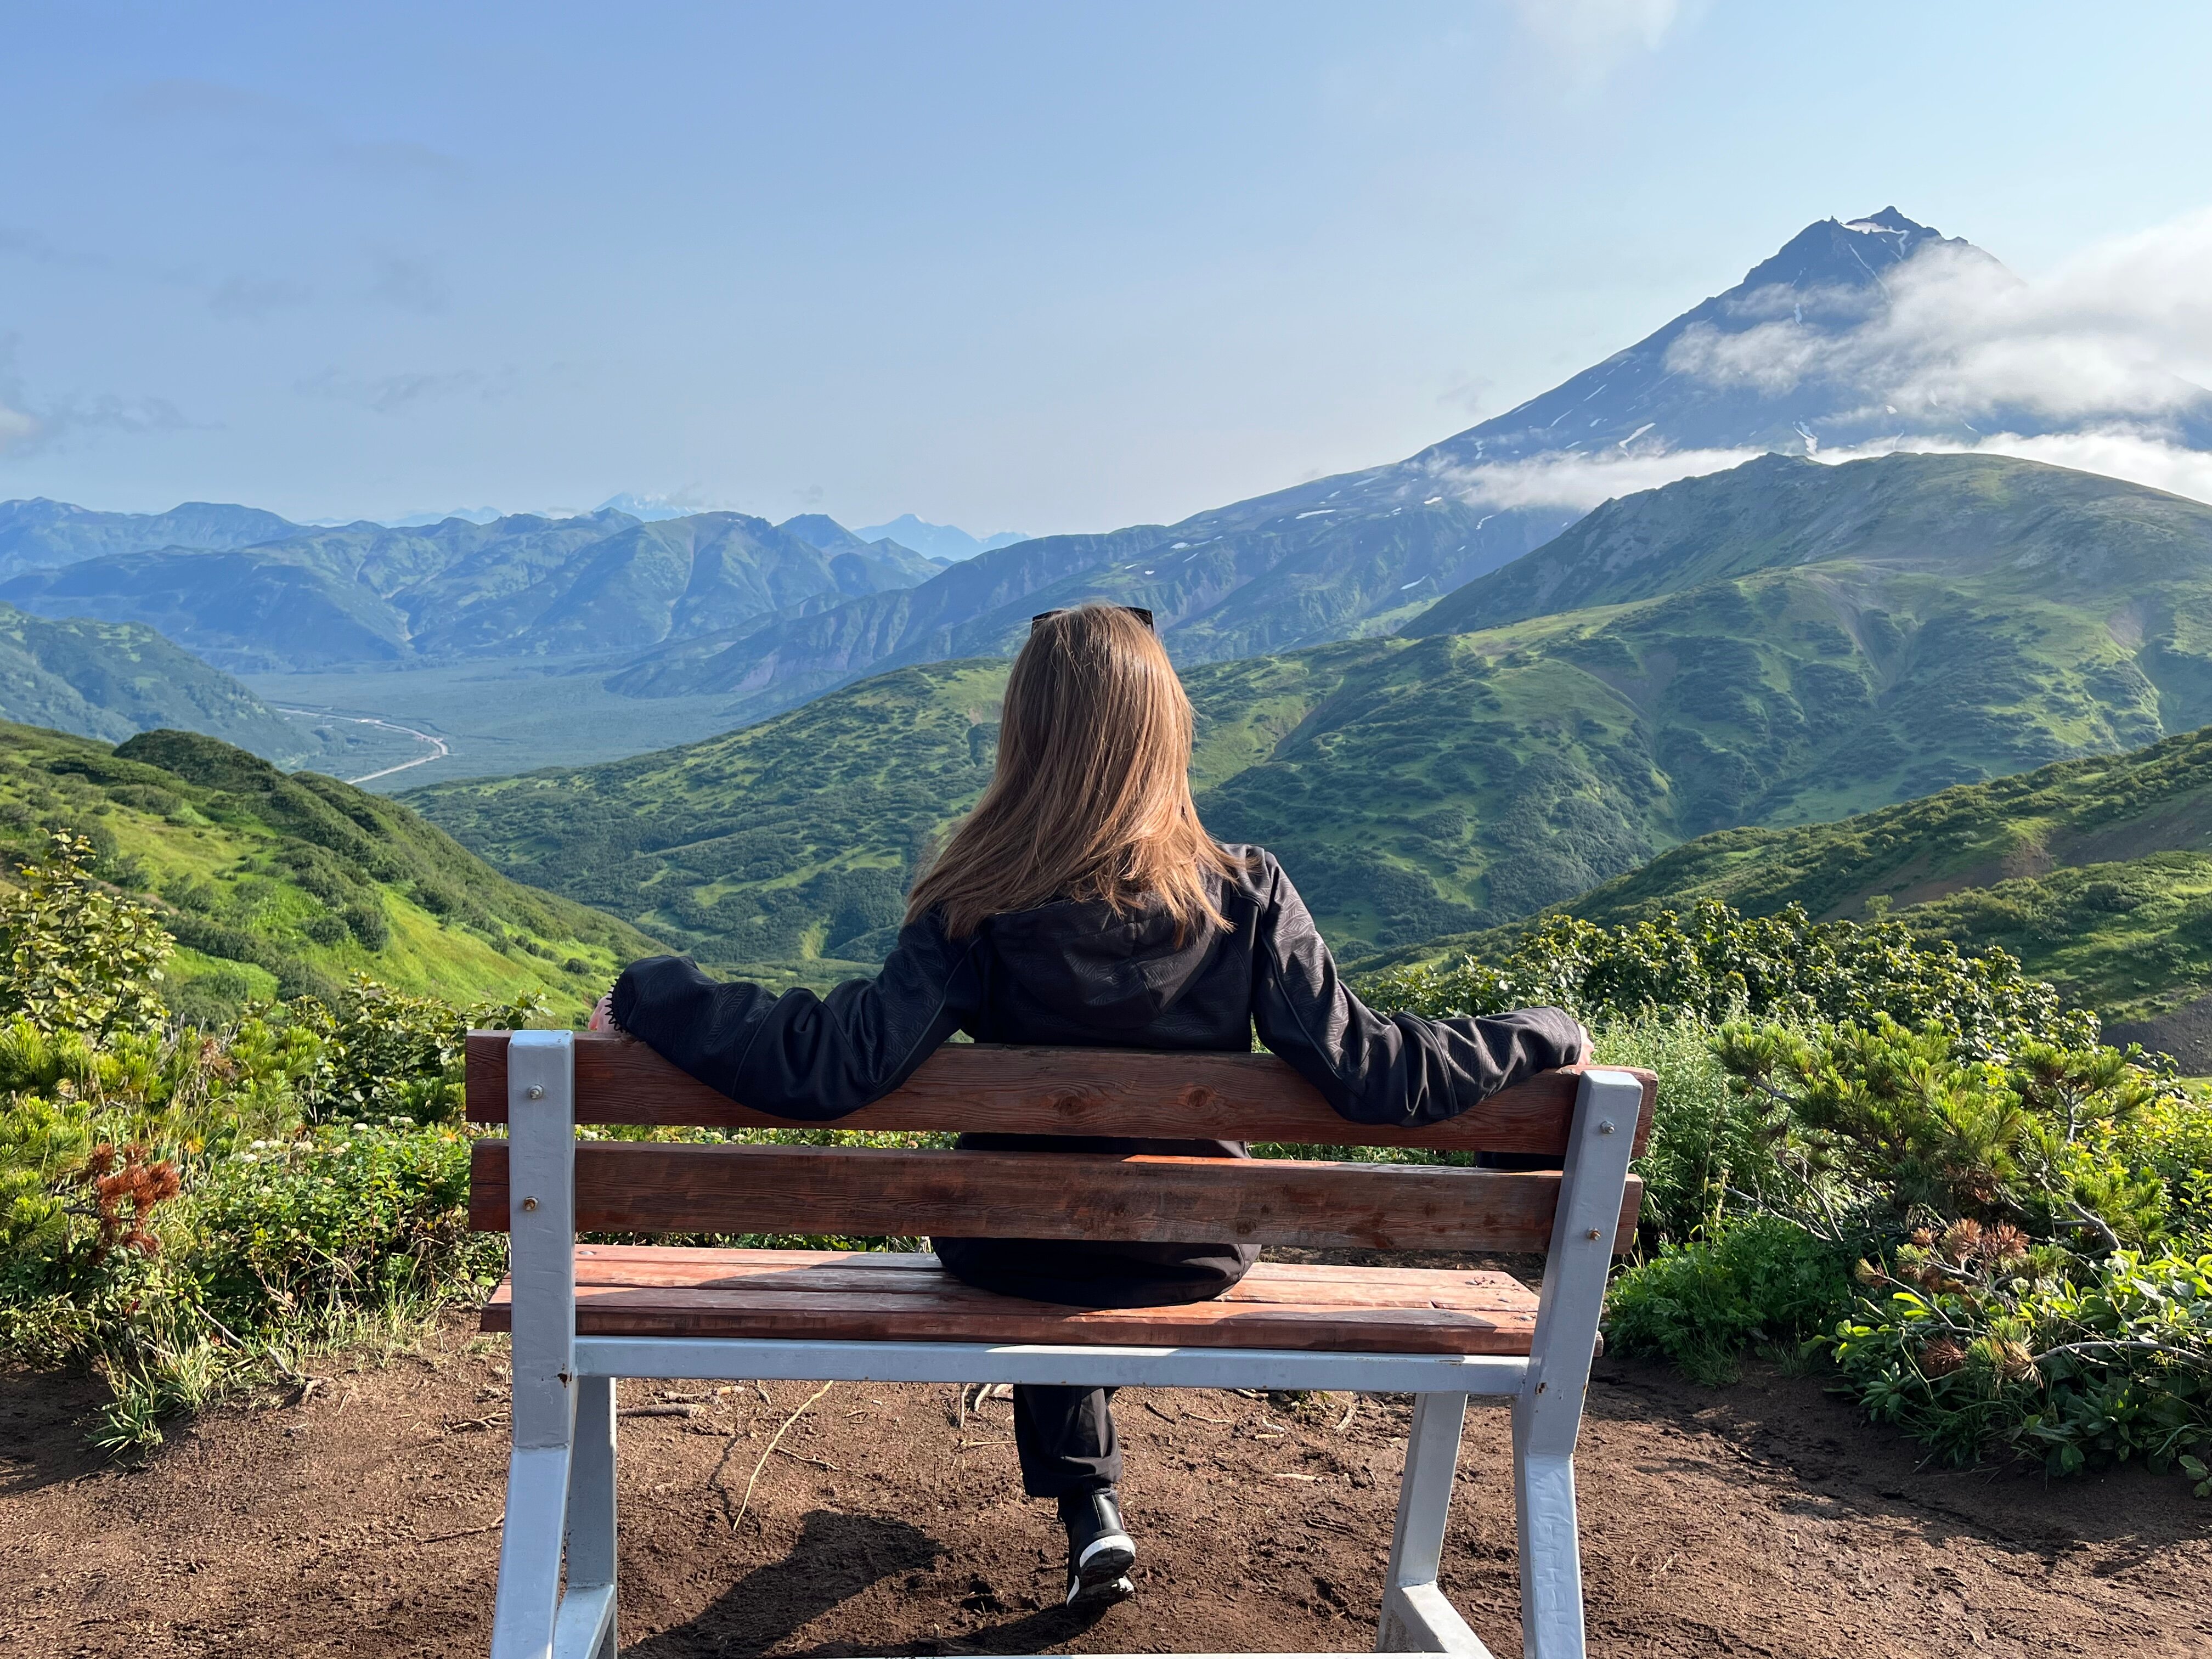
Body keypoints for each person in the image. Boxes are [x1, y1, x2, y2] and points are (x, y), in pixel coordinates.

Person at [595, 602, 1587, 1609]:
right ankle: (1089, 1506)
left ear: (1027, 735)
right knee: (1086, 1222)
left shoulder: (975, 902)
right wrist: (1541, 1032)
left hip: (1004, 1248)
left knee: (1046, 1229)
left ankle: (1088, 1505)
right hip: (1191, 1253)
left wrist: (654, 995)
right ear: (1163, 733)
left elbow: (829, 1066)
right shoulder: (1244, 896)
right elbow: (1376, 1073)